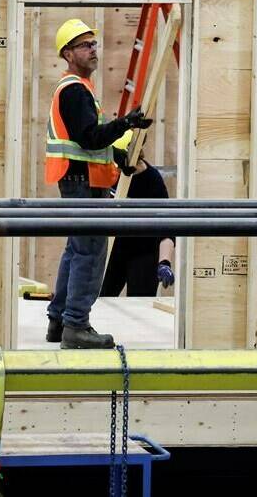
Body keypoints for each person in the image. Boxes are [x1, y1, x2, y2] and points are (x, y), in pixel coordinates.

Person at [45, 18, 153, 349]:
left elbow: (94, 143)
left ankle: (60, 320)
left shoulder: (80, 90)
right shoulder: (75, 90)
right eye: (84, 45)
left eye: (93, 44)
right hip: (82, 182)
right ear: (67, 53)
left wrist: (121, 155)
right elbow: (90, 138)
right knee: (89, 253)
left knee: (76, 251)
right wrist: (125, 124)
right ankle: (76, 327)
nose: (92, 50)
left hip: (80, 179)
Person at [101, 131, 176, 297]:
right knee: (99, 303)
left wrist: (164, 262)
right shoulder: (109, 174)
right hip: (111, 251)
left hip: (143, 252)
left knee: (141, 306)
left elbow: (167, 227)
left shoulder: (151, 179)